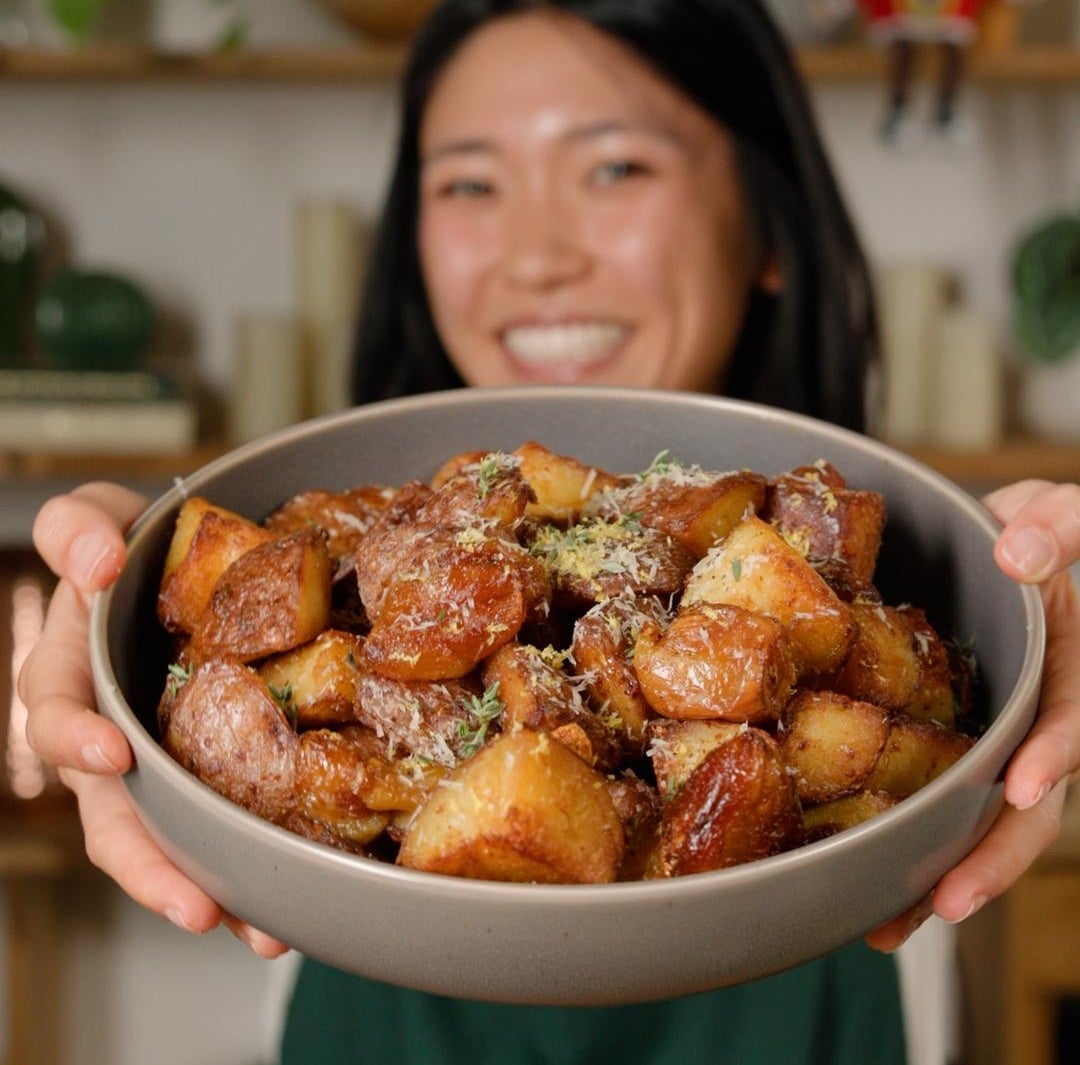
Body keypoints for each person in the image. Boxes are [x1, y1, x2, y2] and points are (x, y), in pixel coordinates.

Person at [19, 2, 1079, 1064]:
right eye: (471, 184)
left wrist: (1041, 608)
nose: (536, 256)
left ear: (767, 224)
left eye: (614, 169)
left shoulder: (904, 586)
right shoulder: (344, 550)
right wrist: (107, 601)